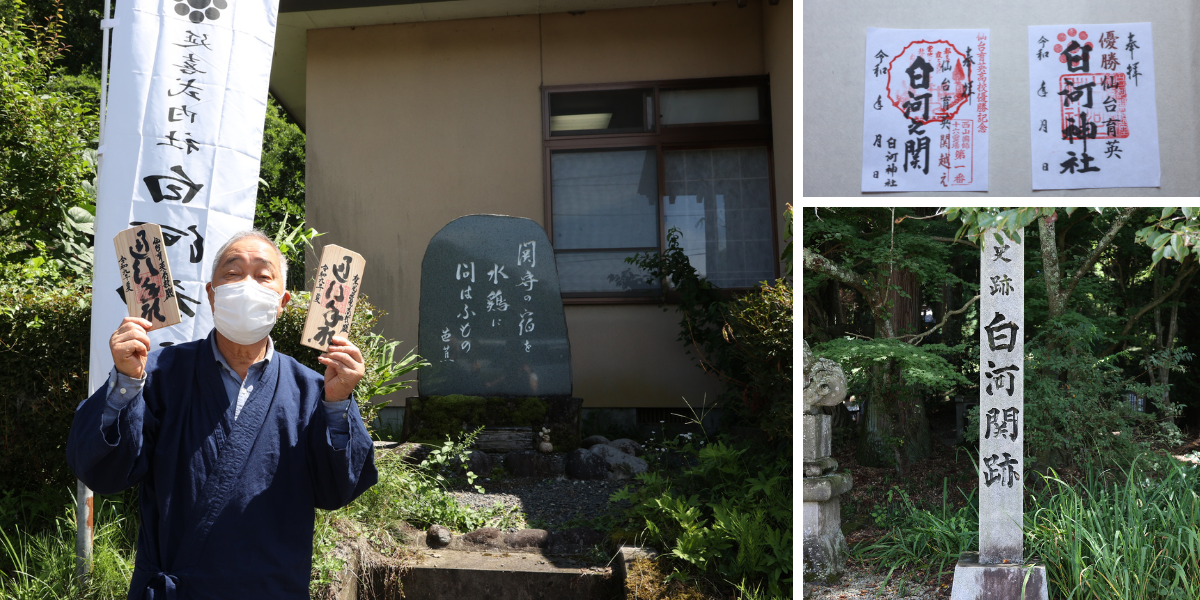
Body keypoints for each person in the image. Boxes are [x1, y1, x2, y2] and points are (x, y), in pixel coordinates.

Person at [67, 231, 378, 599]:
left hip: (272, 590)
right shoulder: (160, 373)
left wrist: (338, 402)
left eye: (263, 276)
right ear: (212, 294)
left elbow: (336, 489)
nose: (247, 285)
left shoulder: (314, 390)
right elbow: (102, 472)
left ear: (282, 301)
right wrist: (125, 383)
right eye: (233, 273)